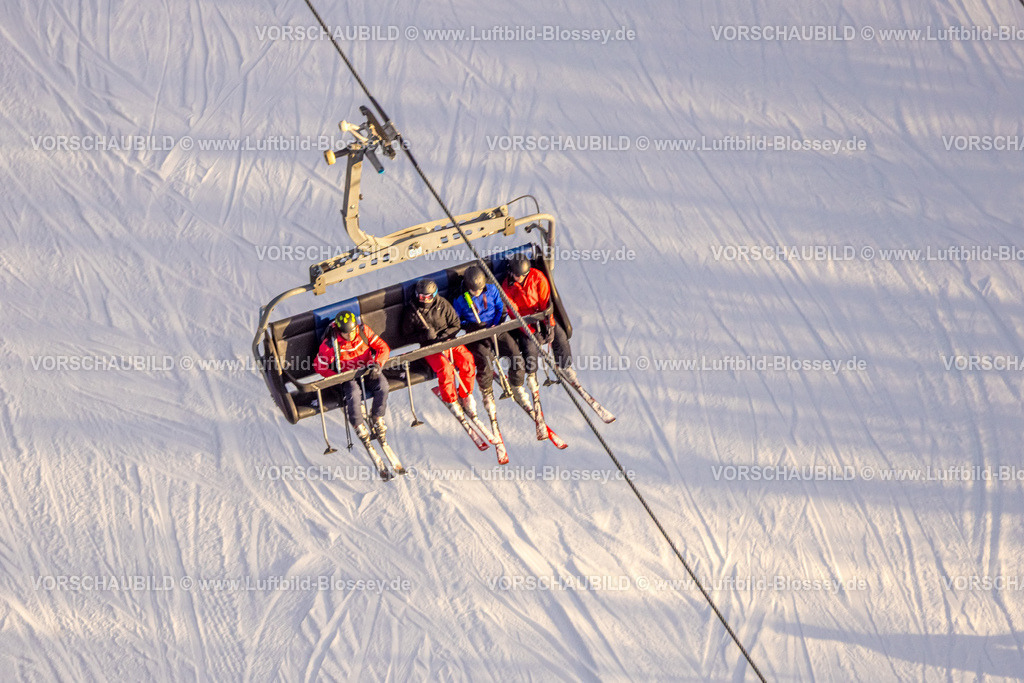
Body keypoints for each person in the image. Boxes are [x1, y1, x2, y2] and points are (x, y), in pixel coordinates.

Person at [452, 265, 528, 406]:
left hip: (494, 328)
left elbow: (501, 307)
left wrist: (496, 323)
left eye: (480, 290)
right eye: (474, 290)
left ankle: (516, 384)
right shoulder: (459, 298)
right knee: (485, 360)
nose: (477, 293)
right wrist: (471, 326)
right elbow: (456, 321)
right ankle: (487, 392)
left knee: (515, 353)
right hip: (476, 334)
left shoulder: (491, 289)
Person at [401, 278, 478, 416]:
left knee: (467, 360)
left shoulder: (442, 304)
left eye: (428, 297)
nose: (424, 300)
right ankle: (451, 399)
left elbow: (455, 324)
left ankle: (465, 394)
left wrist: (444, 336)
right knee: (445, 368)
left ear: (435, 294)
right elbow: (406, 336)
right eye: (421, 296)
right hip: (430, 348)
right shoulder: (412, 311)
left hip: (449, 342)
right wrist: (425, 336)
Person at [501, 252, 577, 386]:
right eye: (517, 275)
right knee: (529, 346)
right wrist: (530, 332)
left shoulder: (537, 277)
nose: (519, 278)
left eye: (523, 275)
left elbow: (545, 302)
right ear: (511, 272)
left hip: (541, 315)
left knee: (560, 336)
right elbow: (514, 314)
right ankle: (532, 373)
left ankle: (564, 365)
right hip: (524, 321)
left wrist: (550, 325)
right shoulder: (507, 287)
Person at [313, 311, 391, 440]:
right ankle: (358, 424)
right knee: (353, 393)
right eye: (346, 333)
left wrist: (377, 364)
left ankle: (377, 416)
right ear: (339, 331)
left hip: (367, 370)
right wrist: (337, 378)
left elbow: (383, 348)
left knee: (382, 386)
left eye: (353, 331)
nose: (350, 336)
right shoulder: (330, 344)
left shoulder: (363, 331)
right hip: (347, 376)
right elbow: (319, 365)